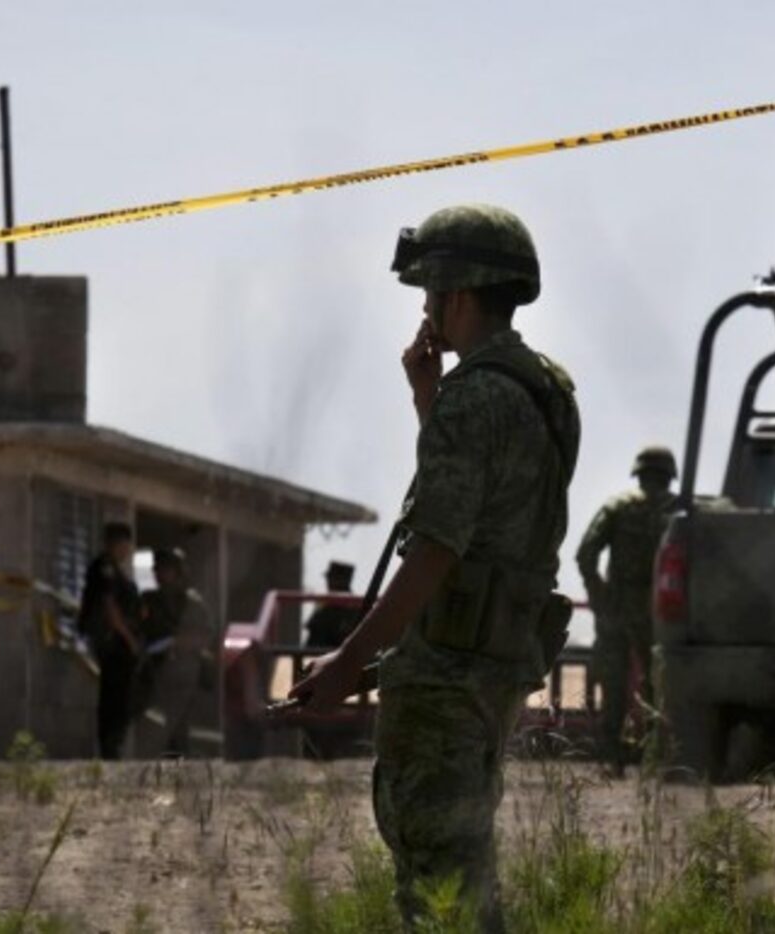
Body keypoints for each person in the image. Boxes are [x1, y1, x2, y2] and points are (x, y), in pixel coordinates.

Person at [288, 203, 579, 933]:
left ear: (454, 294)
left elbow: (438, 548)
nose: (425, 311)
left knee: (437, 878)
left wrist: (350, 661)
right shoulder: (545, 391)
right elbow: (488, 509)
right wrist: (427, 404)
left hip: (445, 672)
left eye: (428, 295)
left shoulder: (473, 398)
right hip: (496, 663)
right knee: (461, 871)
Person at [577, 446, 677, 775]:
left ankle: (611, 758)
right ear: (669, 474)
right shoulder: (678, 512)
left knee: (614, 681)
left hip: (617, 606)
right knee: (657, 682)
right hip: (658, 609)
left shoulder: (617, 507)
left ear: (639, 472)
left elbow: (586, 553)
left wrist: (599, 597)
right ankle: (655, 758)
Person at [134, 547, 216, 757]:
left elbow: (205, 635)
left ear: (178, 572)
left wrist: (180, 642)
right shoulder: (149, 600)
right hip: (154, 667)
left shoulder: (191, 601)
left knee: (177, 720)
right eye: (158, 569)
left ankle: (178, 760)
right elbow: (141, 631)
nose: (161, 574)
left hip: (182, 667)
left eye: (167, 569)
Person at [79, 522, 141, 760]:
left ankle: (113, 749)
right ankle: (110, 750)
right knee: (114, 696)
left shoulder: (116, 571)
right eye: (125, 544)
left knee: (120, 696)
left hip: (118, 641)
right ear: (117, 544)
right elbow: (109, 607)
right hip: (113, 642)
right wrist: (129, 638)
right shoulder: (104, 568)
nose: (127, 550)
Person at [304, 561, 360, 648]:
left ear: (343, 580)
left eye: (332, 578)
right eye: (329, 578)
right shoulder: (326, 603)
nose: (328, 582)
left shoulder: (355, 606)